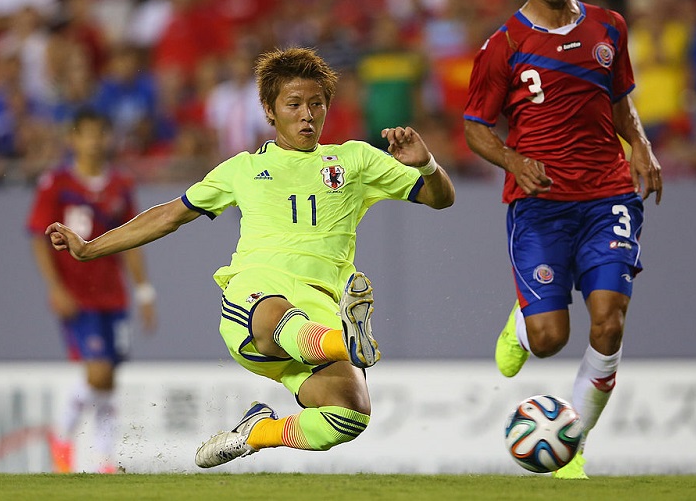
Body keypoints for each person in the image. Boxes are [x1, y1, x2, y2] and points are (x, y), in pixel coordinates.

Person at [43, 47, 455, 468]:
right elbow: (169, 215)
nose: (307, 115)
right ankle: (346, 341)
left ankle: (257, 432)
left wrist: (426, 165)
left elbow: (441, 198)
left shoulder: (356, 159)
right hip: (257, 297)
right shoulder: (241, 169)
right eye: (294, 105)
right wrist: (90, 248)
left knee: (349, 415)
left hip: (320, 306)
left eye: (316, 104)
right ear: (269, 111)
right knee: (281, 317)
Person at [462, 0, 663, 479]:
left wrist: (641, 145)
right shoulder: (505, 44)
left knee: (609, 323)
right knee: (550, 339)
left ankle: (572, 445)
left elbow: (620, 99)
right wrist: (513, 161)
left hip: (608, 195)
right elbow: (475, 127)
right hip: (542, 203)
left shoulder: (609, 26)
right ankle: (522, 325)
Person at [27, 107, 157, 473]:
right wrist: (55, 288)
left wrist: (144, 292)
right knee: (98, 372)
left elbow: (133, 240)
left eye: (101, 134)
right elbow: (38, 238)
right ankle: (62, 436)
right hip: (77, 295)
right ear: (74, 139)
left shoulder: (121, 185)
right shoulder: (56, 183)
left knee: (109, 379)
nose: (95, 142)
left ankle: (104, 460)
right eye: (87, 134)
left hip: (113, 296)